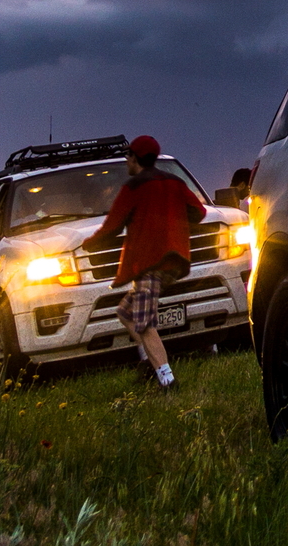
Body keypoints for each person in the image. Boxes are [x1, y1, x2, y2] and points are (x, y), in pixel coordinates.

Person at [84, 135, 203, 390]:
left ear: (136, 158)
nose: (126, 160)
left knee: (145, 324)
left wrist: (88, 244)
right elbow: (199, 211)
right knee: (125, 312)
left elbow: (111, 226)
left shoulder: (134, 187)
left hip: (151, 265)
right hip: (175, 262)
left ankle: (167, 380)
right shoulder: (175, 182)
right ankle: (149, 364)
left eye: (128, 156)